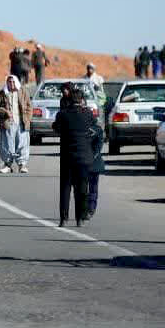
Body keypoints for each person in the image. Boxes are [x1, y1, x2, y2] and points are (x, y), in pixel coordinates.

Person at [52, 87, 102, 227]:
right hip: (84, 157)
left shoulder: (63, 114)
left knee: (65, 188)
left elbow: (56, 128)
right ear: (81, 100)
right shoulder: (87, 114)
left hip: (67, 157)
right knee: (82, 189)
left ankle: (64, 218)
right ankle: (80, 218)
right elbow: (94, 125)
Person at [0, 75, 32, 173]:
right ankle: (7, 165)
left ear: (16, 82)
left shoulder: (23, 91)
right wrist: (5, 111)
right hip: (8, 123)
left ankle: (22, 165)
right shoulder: (2, 93)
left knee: (22, 143)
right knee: (7, 144)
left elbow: (29, 106)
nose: (11, 84)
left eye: (13, 82)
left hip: (21, 122)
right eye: (9, 82)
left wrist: (27, 118)